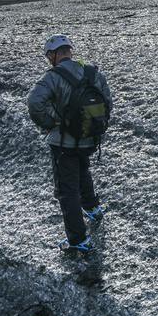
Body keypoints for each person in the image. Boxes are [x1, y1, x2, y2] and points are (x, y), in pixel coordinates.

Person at [26, 34, 113, 255]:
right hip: (89, 138)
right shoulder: (93, 72)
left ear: (54, 55)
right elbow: (108, 102)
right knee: (83, 168)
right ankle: (92, 207)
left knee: (67, 190)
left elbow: (34, 102)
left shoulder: (53, 76)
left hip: (63, 142)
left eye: (49, 56)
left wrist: (50, 123)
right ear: (69, 51)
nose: (49, 60)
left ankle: (78, 239)